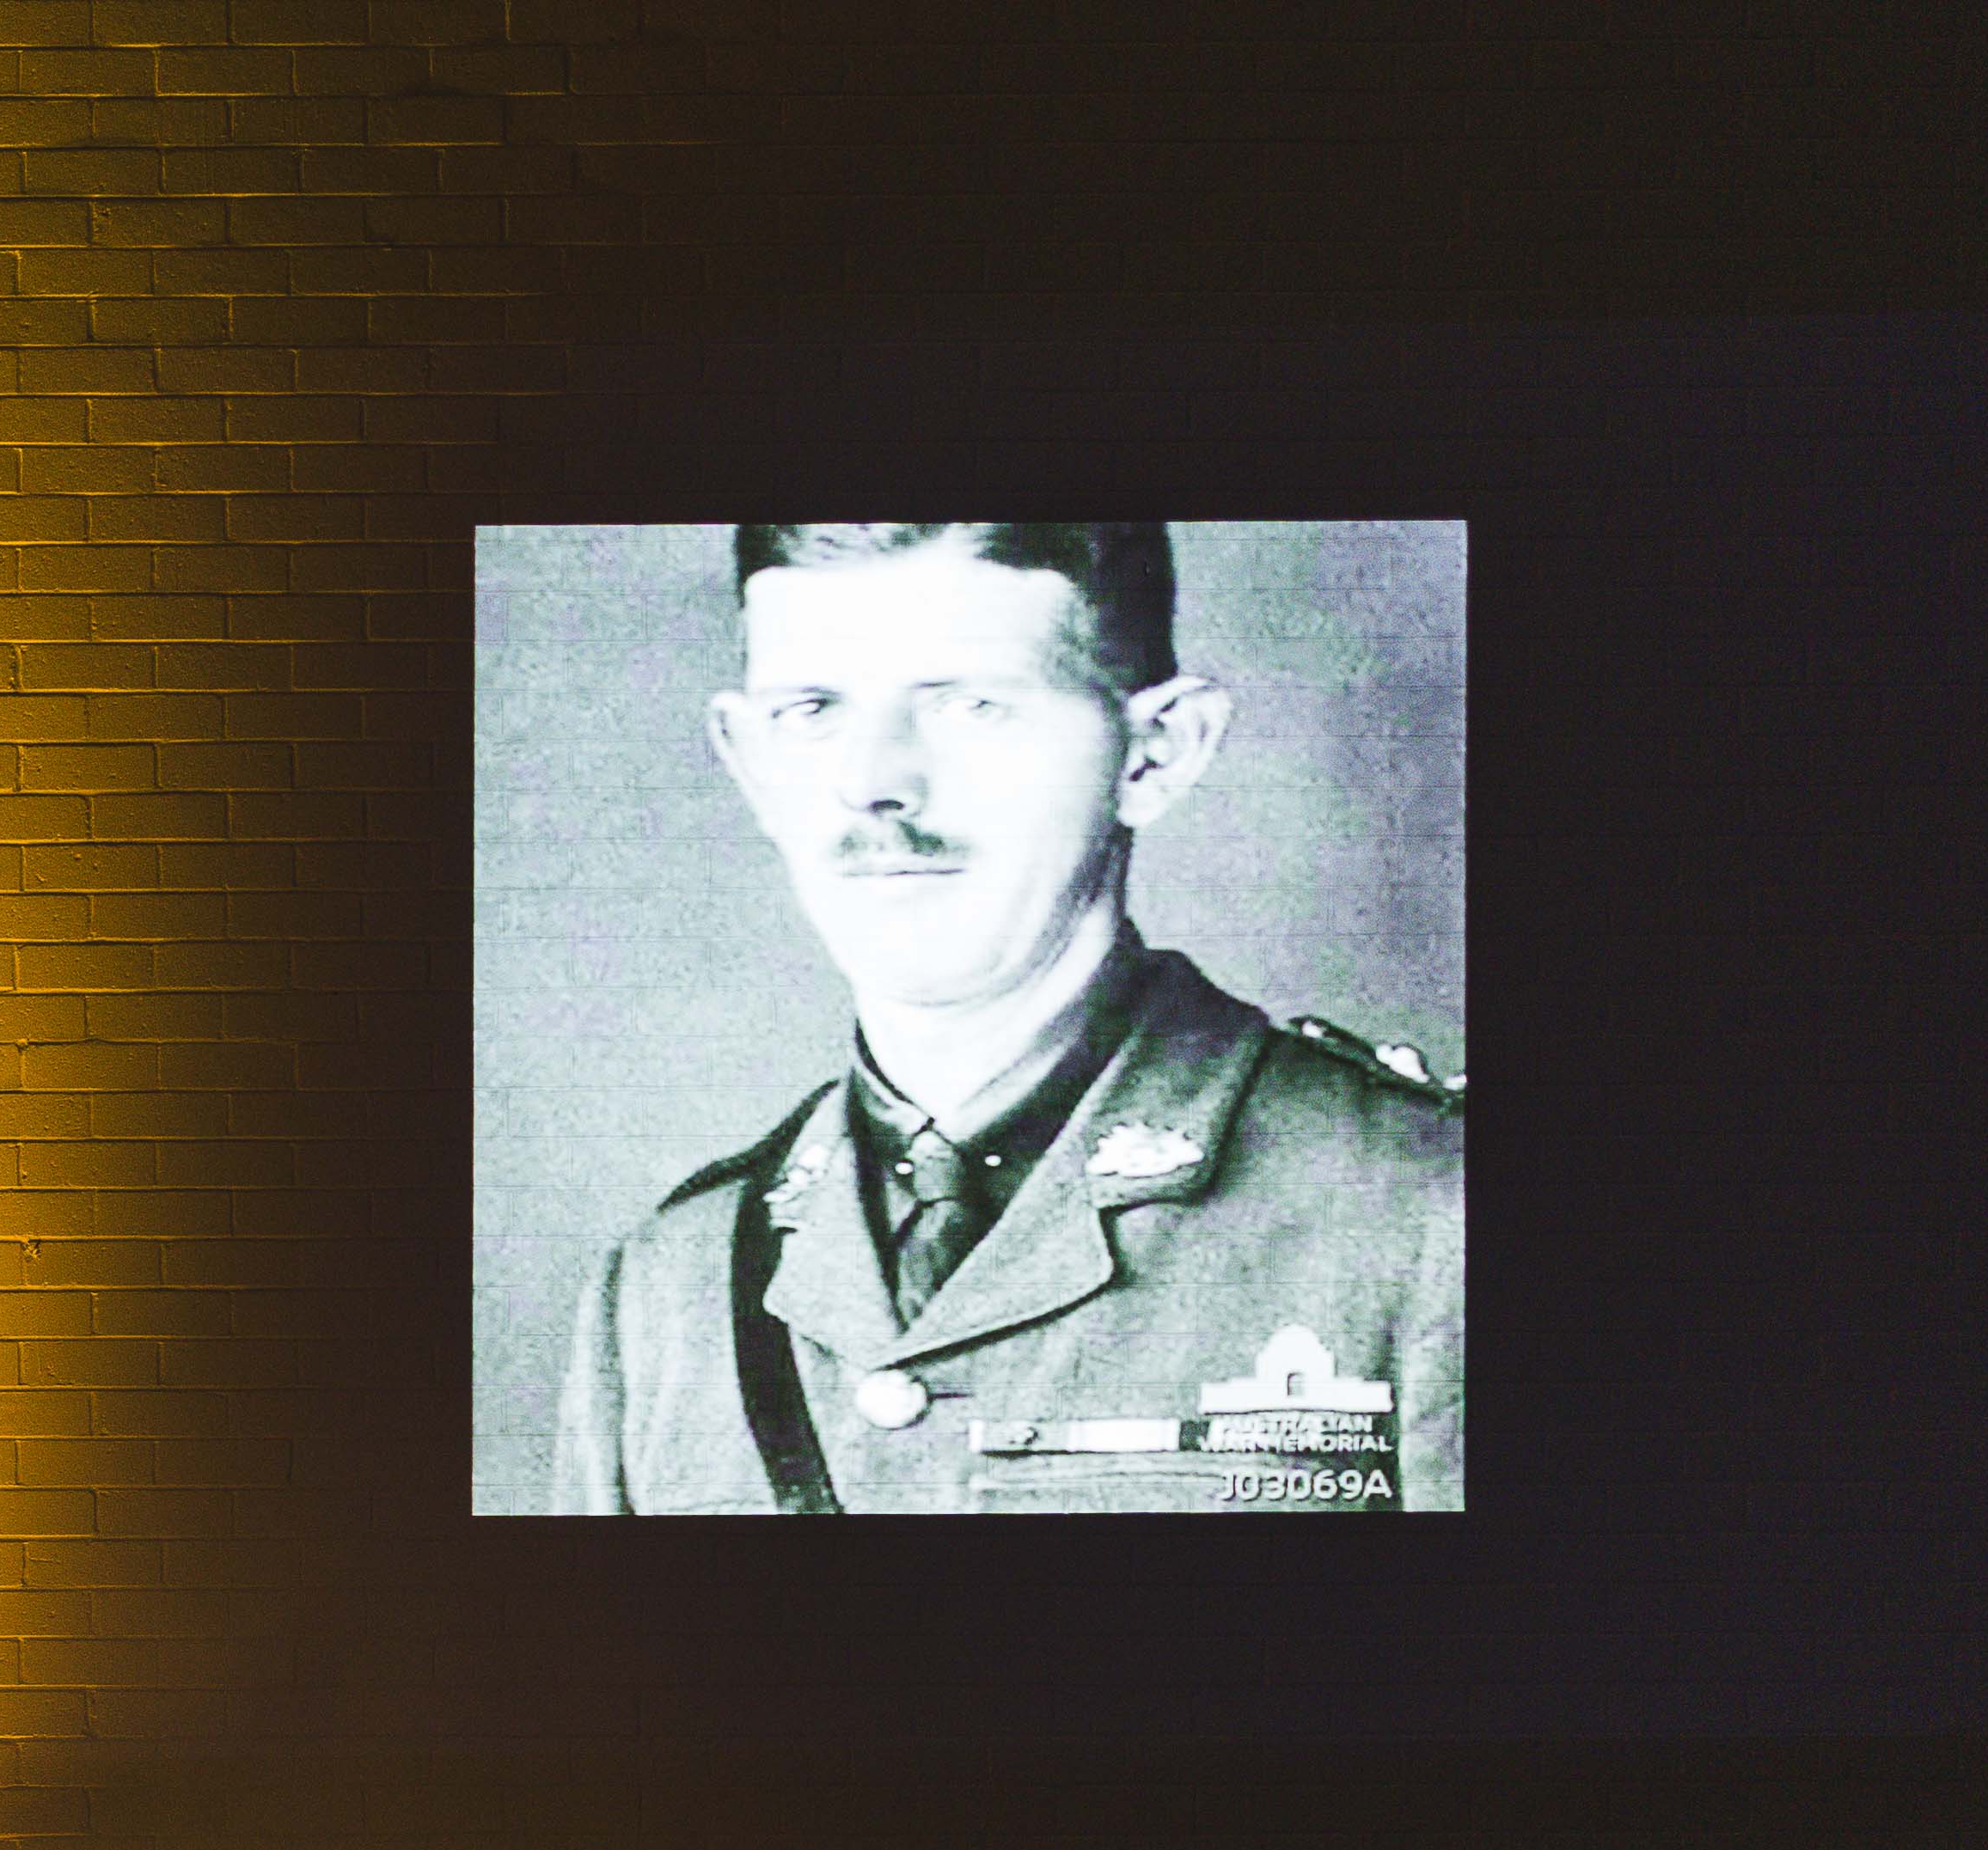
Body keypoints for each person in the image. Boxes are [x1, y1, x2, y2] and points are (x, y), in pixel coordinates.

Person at [552, 519, 1462, 1517]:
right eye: (810, 709)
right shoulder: (665, 1290)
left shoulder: (1421, 1220)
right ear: (747, 760)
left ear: (1154, 752)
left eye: (970, 704)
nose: (873, 782)